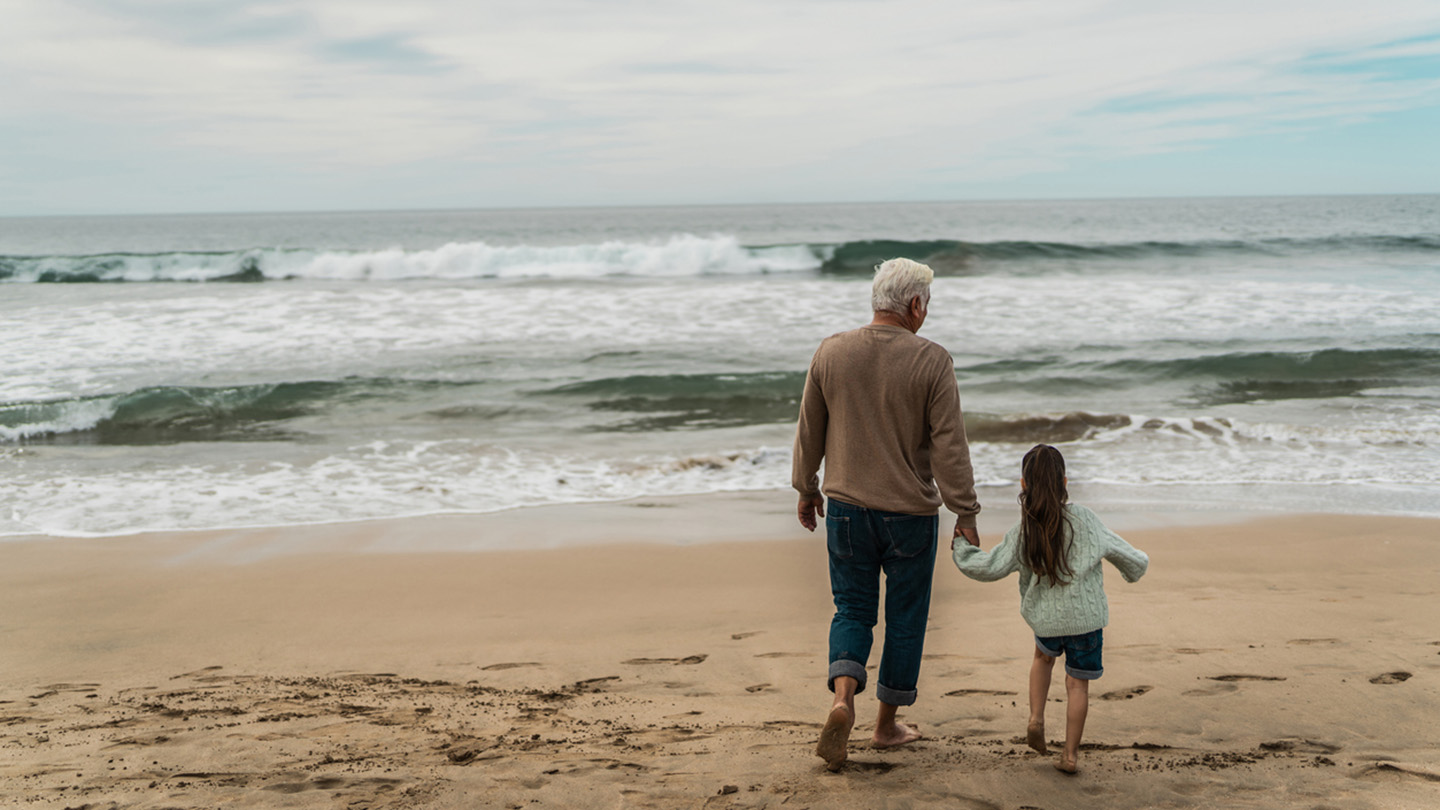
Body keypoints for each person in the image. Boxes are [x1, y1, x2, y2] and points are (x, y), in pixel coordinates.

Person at [792, 257, 982, 772]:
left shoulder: (832, 351)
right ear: (915, 304)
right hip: (909, 517)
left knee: (852, 610)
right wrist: (965, 510)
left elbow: (809, 429)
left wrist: (807, 489)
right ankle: (884, 726)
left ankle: (842, 700)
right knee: (905, 620)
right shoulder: (932, 360)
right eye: (928, 304)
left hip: (848, 511)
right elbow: (949, 446)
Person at [952, 444, 1148, 774]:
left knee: (1042, 659)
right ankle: (1070, 755)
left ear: (1024, 484)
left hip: (1046, 622)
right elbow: (1125, 554)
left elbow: (988, 567)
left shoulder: (1023, 531)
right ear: (1065, 483)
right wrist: (1137, 567)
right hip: (1085, 622)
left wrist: (961, 546)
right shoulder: (1085, 519)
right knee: (1077, 685)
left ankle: (1035, 718)